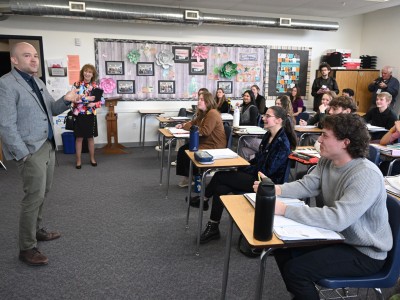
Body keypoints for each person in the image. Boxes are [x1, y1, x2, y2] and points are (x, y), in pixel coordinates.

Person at [254, 113, 392, 300]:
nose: (319, 139)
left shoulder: (365, 175)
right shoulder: (328, 160)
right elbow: (307, 185)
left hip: (365, 252)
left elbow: (336, 219)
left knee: (297, 271)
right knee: (282, 249)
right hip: (340, 238)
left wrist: (285, 209)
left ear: (345, 142)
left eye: (325, 135)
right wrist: (275, 189)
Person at [0, 42, 80, 266]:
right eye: (27, 56)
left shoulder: (37, 82)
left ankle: (36, 230)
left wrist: (66, 100)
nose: (34, 59)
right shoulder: (6, 84)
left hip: (48, 144)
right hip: (30, 150)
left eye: (35, 55)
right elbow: (6, 125)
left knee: (43, 193)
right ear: (14, 60)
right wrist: (23, 154)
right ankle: (26, 247)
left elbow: (51, 110)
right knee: (32, 198)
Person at [199, 106, 297, 243]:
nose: (263, 118)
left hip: (266, 184)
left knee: (220, 176)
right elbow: (258, 159)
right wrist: (244, 165)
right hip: (256, 176)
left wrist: (244, 169)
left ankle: (203, 199)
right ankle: (213, 226)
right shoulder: (268, 135)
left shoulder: (282, 143)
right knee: (221, 188)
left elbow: (266, 172)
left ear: (278, 120)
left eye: (268, 116)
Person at [175, 91, 226, 187]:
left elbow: (205, 131)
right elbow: (192, 123)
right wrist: (184, 125)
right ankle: (189, 177)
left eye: (202, 100)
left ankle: (193, 176)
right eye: (199, 99)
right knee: (183, 150)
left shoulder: (212, 113)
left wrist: (189, 126)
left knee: (187, 151)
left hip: (214, 145)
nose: (199, 101)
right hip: (205, 142)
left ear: (208, 101)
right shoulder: (203, 114)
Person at [72, 64, 103, 169]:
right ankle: (78, 160)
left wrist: (94, 104)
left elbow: (102, 101)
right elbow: (72, 99)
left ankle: (92, 158)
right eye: (86, 71)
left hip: (90, 115)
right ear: (82, 72)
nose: (87, 73)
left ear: (92, 74)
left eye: (90, 72)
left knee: (90, 138)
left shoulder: (96, 86)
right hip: (79, 115)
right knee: (79, 138)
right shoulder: (76, 84)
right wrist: (86, 99)